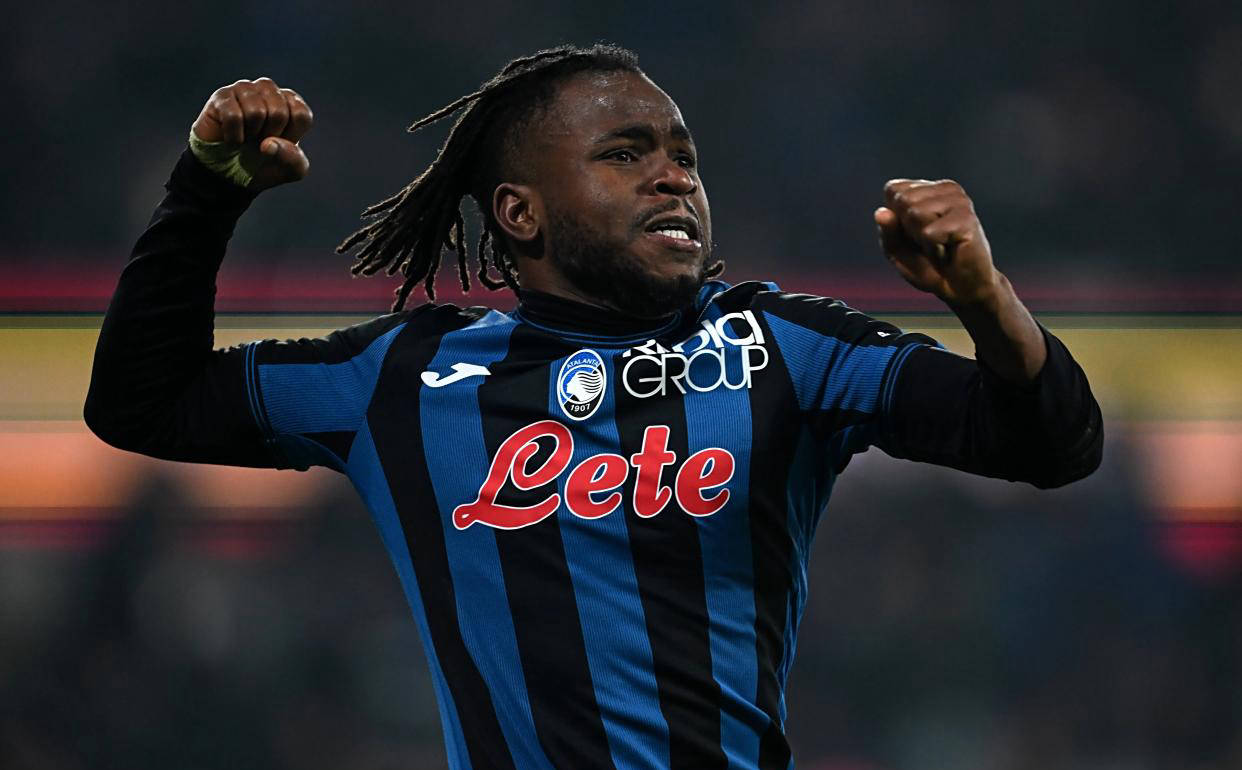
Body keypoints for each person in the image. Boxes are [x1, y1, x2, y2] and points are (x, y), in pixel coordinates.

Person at [84, 43, 1103, 770]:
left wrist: (984, 298)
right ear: (519, 212)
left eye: (684, 155)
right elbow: (142, 402)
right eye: (624, 154)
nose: (673, 177)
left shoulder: (783, 348)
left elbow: (1054, 443)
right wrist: (206, 189)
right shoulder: (407, 375)